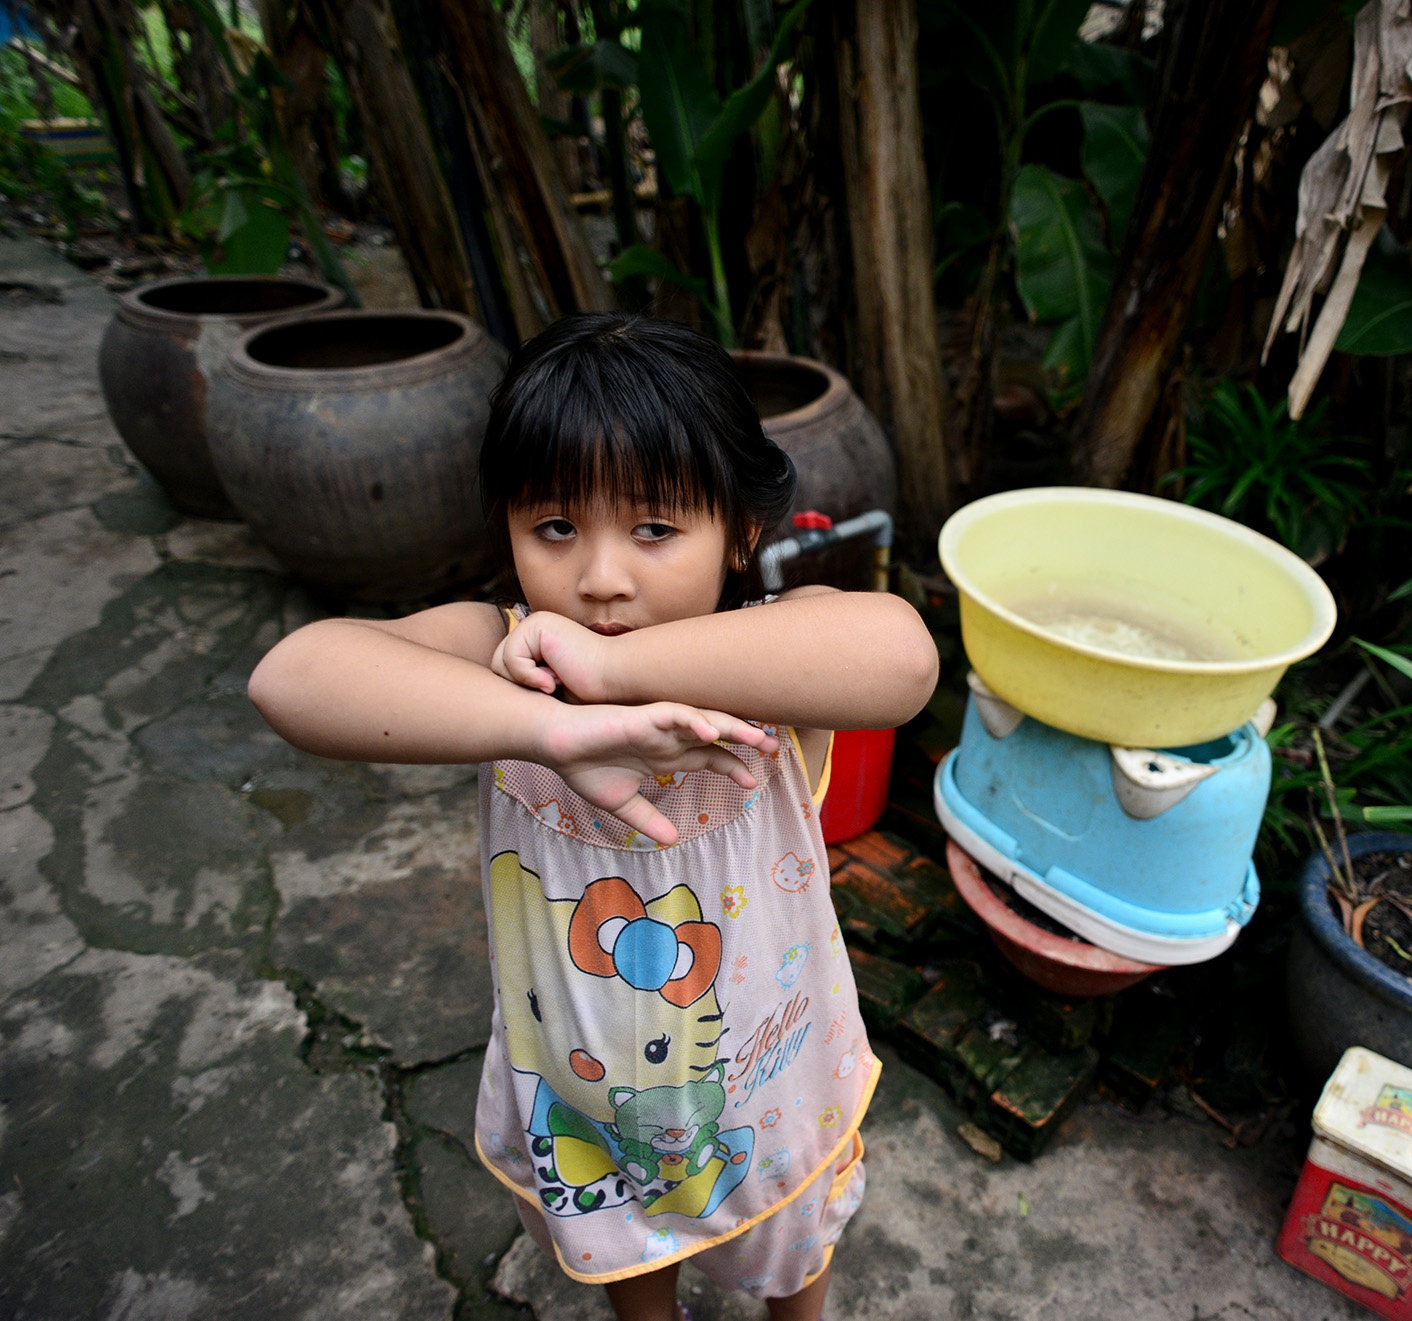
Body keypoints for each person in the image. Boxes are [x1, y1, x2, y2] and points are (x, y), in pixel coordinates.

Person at [249, 314, 938, 1321]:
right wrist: (548, 728)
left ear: (741, 531)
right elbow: (290, 677)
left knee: (795, 1253)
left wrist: (613, 670)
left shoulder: (760, 658)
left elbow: (905, 659)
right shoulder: (501, 647)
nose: (601, 576)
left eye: (655, 528)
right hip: (581, 1091)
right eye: (556, 526)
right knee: (626, 1261)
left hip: (767, 1080)